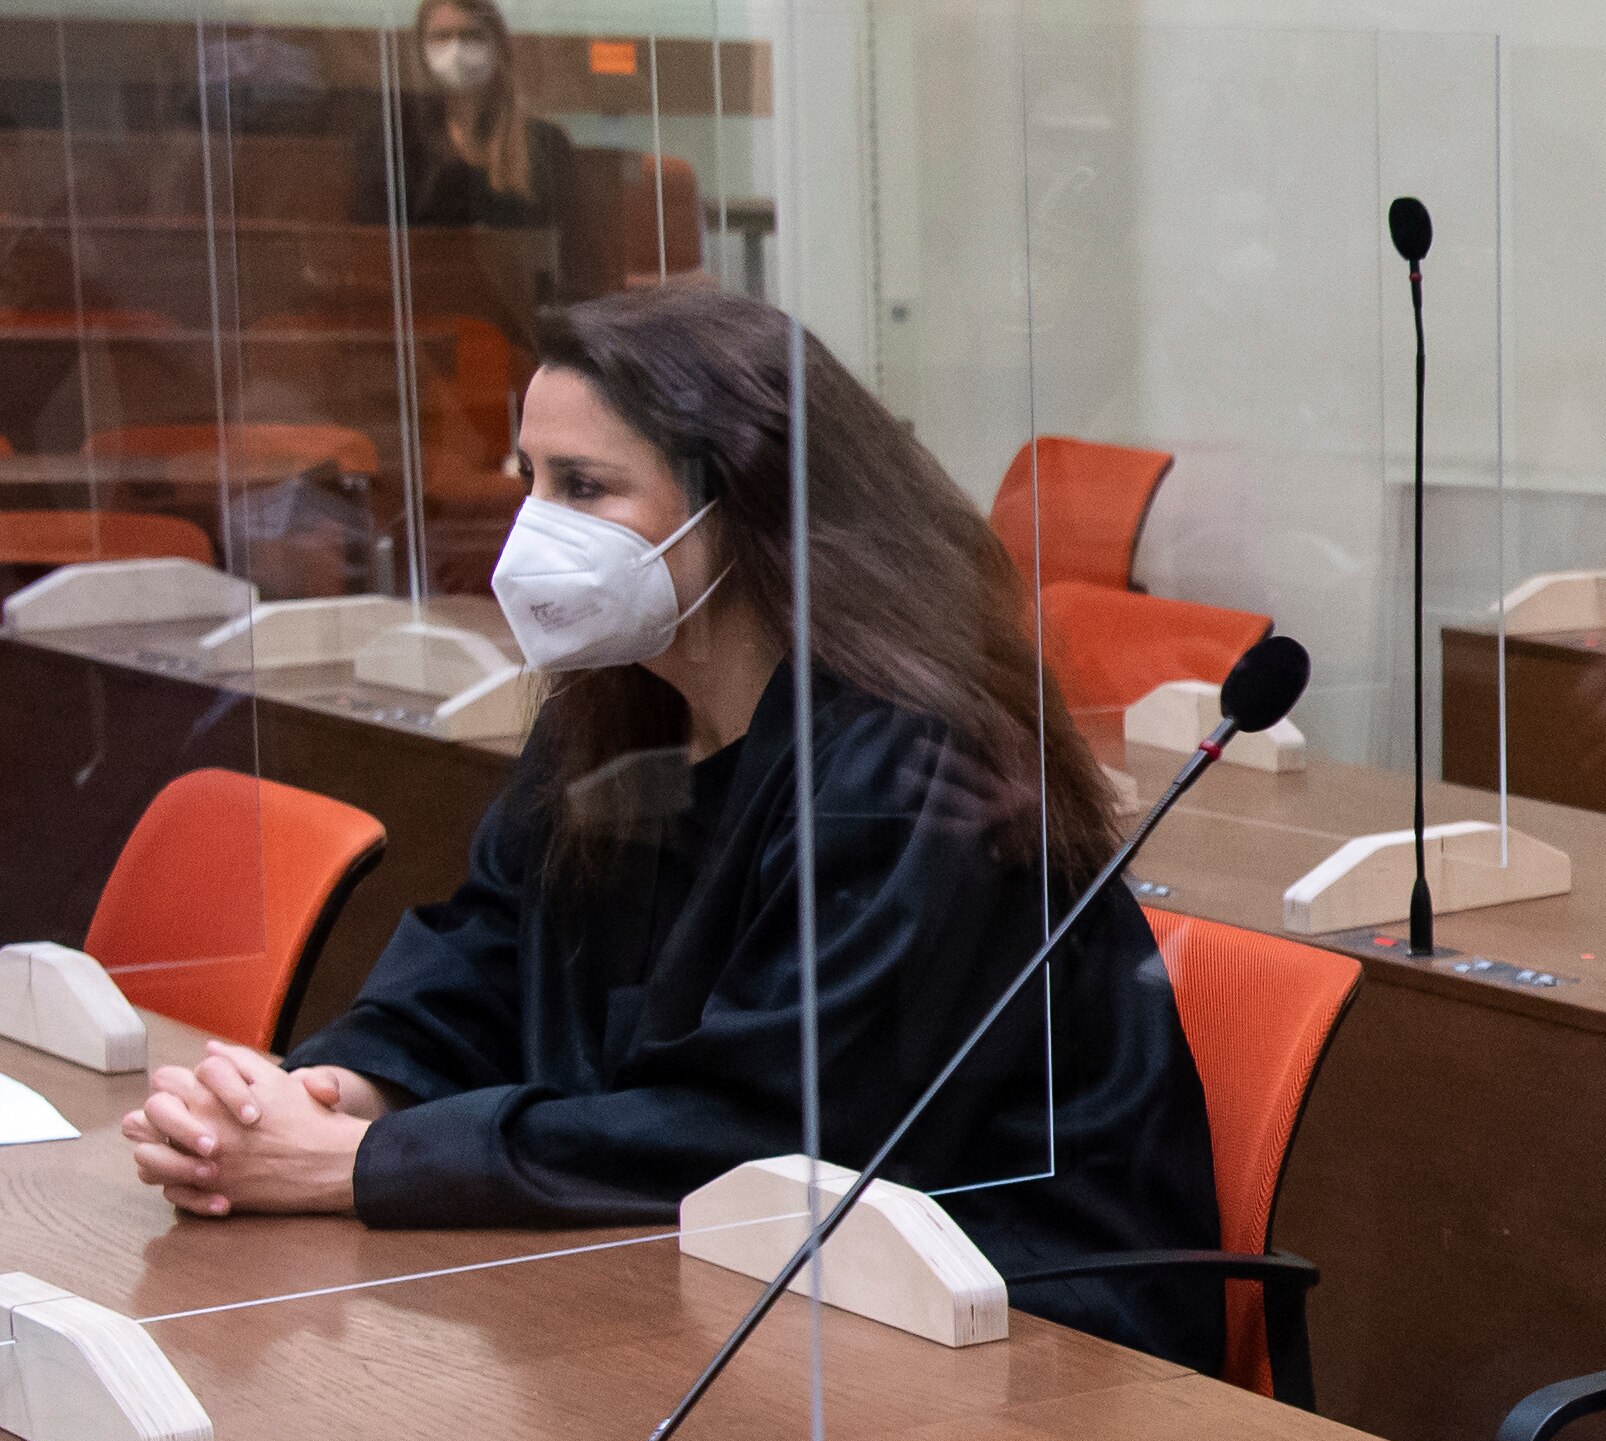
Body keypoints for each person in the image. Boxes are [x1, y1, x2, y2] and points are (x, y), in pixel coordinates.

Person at [119, 282, 1223, 1374]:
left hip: (1016, 1337)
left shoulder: (915, 766)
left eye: (585, 487)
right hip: (728, 1289)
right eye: (531, 481)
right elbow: (483, 959)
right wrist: (338, 1094)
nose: (532, 530)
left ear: (742, 507)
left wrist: (357, 1165)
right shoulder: (620, 712)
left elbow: (768, 1138)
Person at [355, 0, 573, 234]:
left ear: (498, 45)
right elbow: (370, 243)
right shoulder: (394, 138)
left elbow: (568, 243)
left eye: (472, 35)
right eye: (441, 37)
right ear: (420, 50)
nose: (456, 50)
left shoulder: (544, 144)